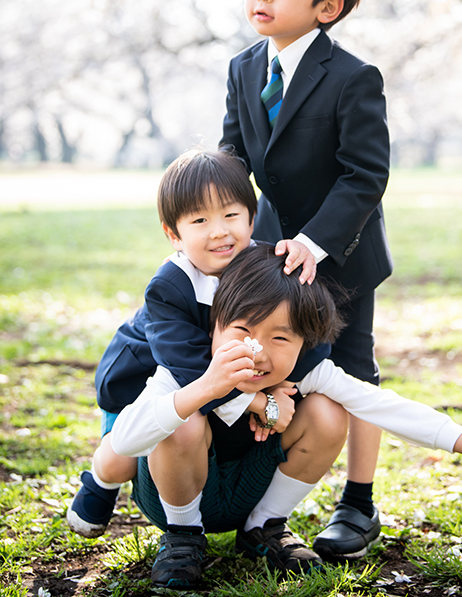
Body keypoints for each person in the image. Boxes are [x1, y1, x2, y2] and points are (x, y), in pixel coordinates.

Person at [111, 244, 462, 589]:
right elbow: (126, 442)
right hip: (172, 500)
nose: (257, 351)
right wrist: (206, 389)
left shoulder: (310, 371)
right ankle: (185, 540)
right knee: (181, 419)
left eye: (280, 337)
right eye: (242, 331)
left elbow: (383, 405)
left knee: (330, 411)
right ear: (213, 327)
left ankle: (265, 528)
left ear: (303, 344)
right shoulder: (182, 371)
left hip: (249, 495)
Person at [220, 0, 392, 560]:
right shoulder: (242, 68)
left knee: (354, 371)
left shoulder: (352, 76)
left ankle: (359, 502)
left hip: (342, 250)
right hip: (267, 249)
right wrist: (217, 213)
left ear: (327, 7)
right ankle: (258, 493)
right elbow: (234, 153)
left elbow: (366, 174)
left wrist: (317, 242)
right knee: (265, 362)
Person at [67, 149, 322, 538]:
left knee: (193, 423)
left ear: (252, 218)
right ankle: (99, 483)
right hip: (143, 378)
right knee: (124, 456)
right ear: (174, 235)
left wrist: (284, 383)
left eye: (230, 215)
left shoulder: (267, 266)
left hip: (207, 386)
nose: (219, 230)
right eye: (200, 220)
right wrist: (260, 401)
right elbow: (191, 370)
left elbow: (309, 338)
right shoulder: (170, 286)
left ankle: (261, 528)